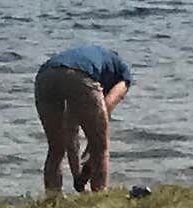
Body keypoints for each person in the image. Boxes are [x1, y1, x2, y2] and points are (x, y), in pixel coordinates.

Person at [35, 39, 134, 194]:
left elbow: (71, 129)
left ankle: (53, 197)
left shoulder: (90, 57)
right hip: (80, 76)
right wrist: (92, 150)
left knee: (56, 148)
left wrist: (78, 177)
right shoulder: (123, 74)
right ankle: (99, 195)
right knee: (100, 147)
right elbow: (107, 106)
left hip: (46, 75)